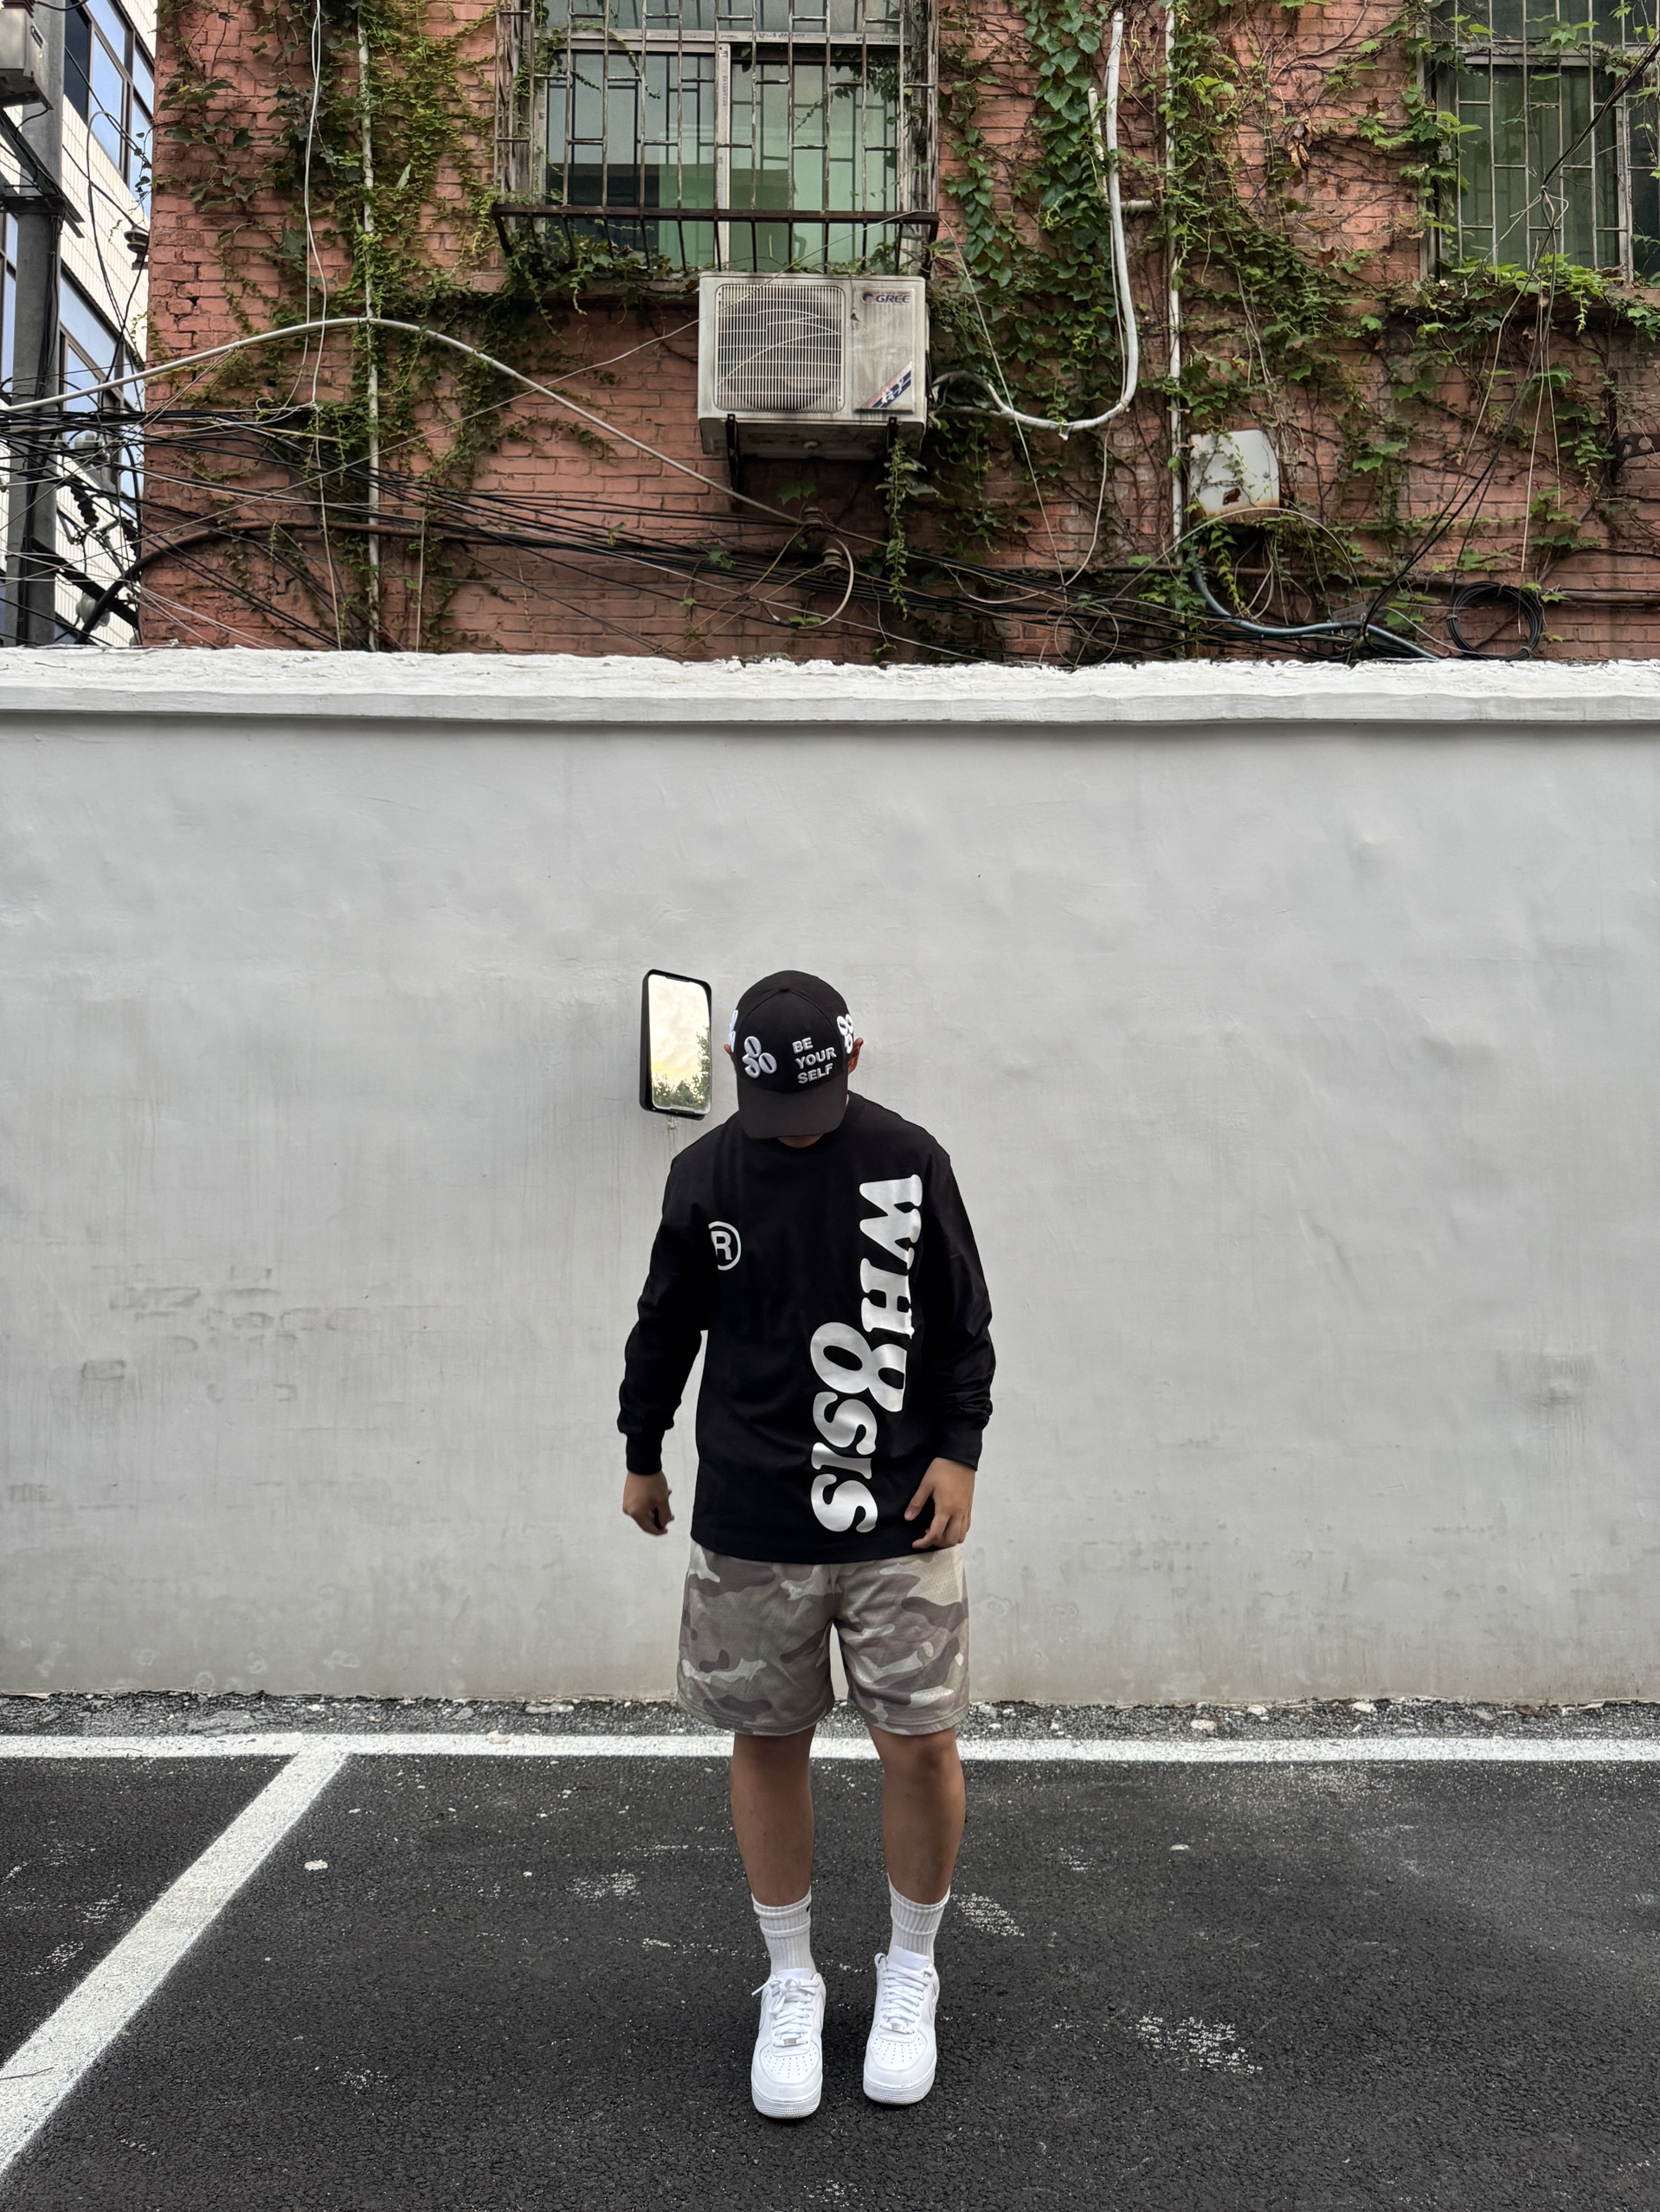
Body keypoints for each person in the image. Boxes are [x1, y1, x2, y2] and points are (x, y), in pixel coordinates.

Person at [618, 969, 994, 2120]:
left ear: (855, 1060)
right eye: (773, 1104)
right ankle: (790, 1979)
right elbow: (665, 1324)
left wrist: (960, 1450)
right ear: (739, 1077)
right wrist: (642, 1451)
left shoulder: (908, 1160)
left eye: (813, 1103)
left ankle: (910, 1969)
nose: (794, 1128)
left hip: (900, 1514)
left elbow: (961, 1318)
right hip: (751, 1516)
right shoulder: (706, 1174)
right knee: (768, 1739)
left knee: (919, 1746)